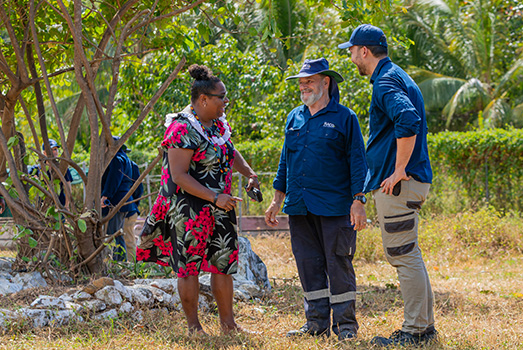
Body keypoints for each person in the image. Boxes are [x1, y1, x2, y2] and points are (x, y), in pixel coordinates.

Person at [136, 64, 260, 335]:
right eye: (221, 97)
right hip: (189, 210)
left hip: (221, 205)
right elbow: (179, 176)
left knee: (223, 264)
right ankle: (194, 327)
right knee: (188, 268)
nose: (225, 102)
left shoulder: (218, 125)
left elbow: (230, 150)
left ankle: (229, 326)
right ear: (203, 99)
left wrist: (249, 173)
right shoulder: (181, 128)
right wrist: (214, 197)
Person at [339, 24, 437, 346]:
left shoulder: (384, 81)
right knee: (409, 254)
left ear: (364, 51)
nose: (351, 57)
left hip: (400, 186)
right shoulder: (396, 75)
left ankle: (414, 332)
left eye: (352, 51)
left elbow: (408, 120)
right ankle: (423, 326)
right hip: (410, 182)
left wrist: (398, 170)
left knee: (403, 255)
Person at [264, 58, 368, 341]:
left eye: (310, 81)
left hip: (335, 208)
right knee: (308, 265)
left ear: (326, 83)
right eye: (301, 82)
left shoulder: (345, 118)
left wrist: (359, 200)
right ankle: (316, 323)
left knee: (338, 265)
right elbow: (285, 161)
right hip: (299, 206)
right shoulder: (294, 117)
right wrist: (276, 200)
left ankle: (345, 326)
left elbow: (358, 162)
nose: (304, 86)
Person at [101, 136, 136, 262]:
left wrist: (105, 196)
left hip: (116, 202)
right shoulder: (124, 158)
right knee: (116, 233)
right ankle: (119, 262)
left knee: (114, 234)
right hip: (122, 202)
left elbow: (114, 180)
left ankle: (119, 263)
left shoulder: (117, 159)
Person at [29, 139, 73, 209]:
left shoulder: (63, 168)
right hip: (42, 206)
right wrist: (34, 179)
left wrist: (67, 205)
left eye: (55, 149)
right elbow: (27, 177)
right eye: (51, 150)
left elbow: (68, 187)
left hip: (60, 205)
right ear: (44, 153)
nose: (54, 152)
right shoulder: (38, 169)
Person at [123, 160, 143, 262]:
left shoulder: (129, 164)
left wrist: (133, 204)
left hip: (127, 208)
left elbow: (138, 189)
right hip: (129, 206)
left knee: (128, 240)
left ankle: (132, 266)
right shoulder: (131, 164)